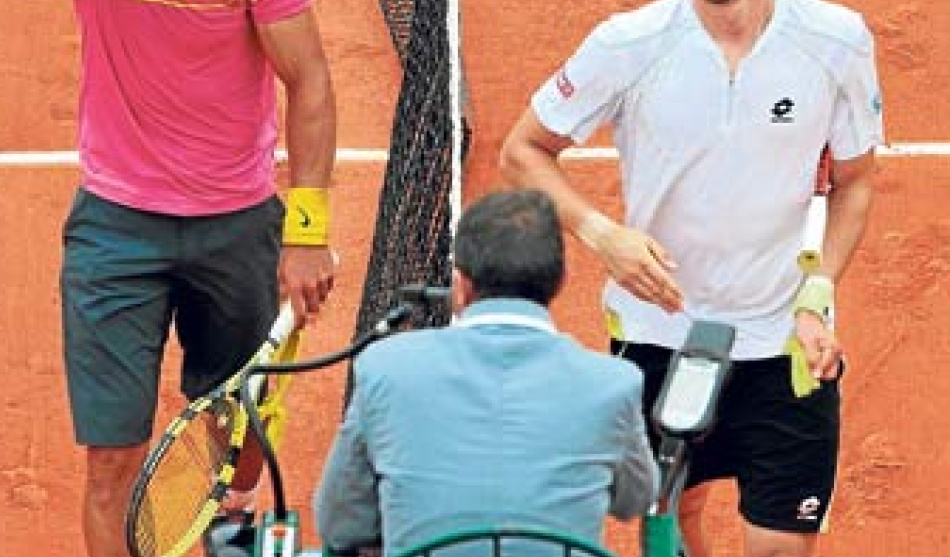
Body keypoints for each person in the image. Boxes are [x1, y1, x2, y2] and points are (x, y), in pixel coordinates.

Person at [500, 0, 882, 556]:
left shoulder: (836, 40)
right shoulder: (628, 44)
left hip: (786, 342)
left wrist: (816, 293)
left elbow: (856, 182)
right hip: (659, 334)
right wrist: (603, 236)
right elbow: (523, 150)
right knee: (673, 523)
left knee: (780, 547)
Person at [60, 1, 337, 556]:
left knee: (240, 425)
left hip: (238, 224)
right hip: (116, 230)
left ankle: (234, 517)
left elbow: (309, 78)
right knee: (111, 461)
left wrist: (307, 232)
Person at [314, 189, 659, 556]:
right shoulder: (613, 384)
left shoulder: (384, 368)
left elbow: (340, 522)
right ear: (560, 281)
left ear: (460, 285)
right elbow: (635, 500)